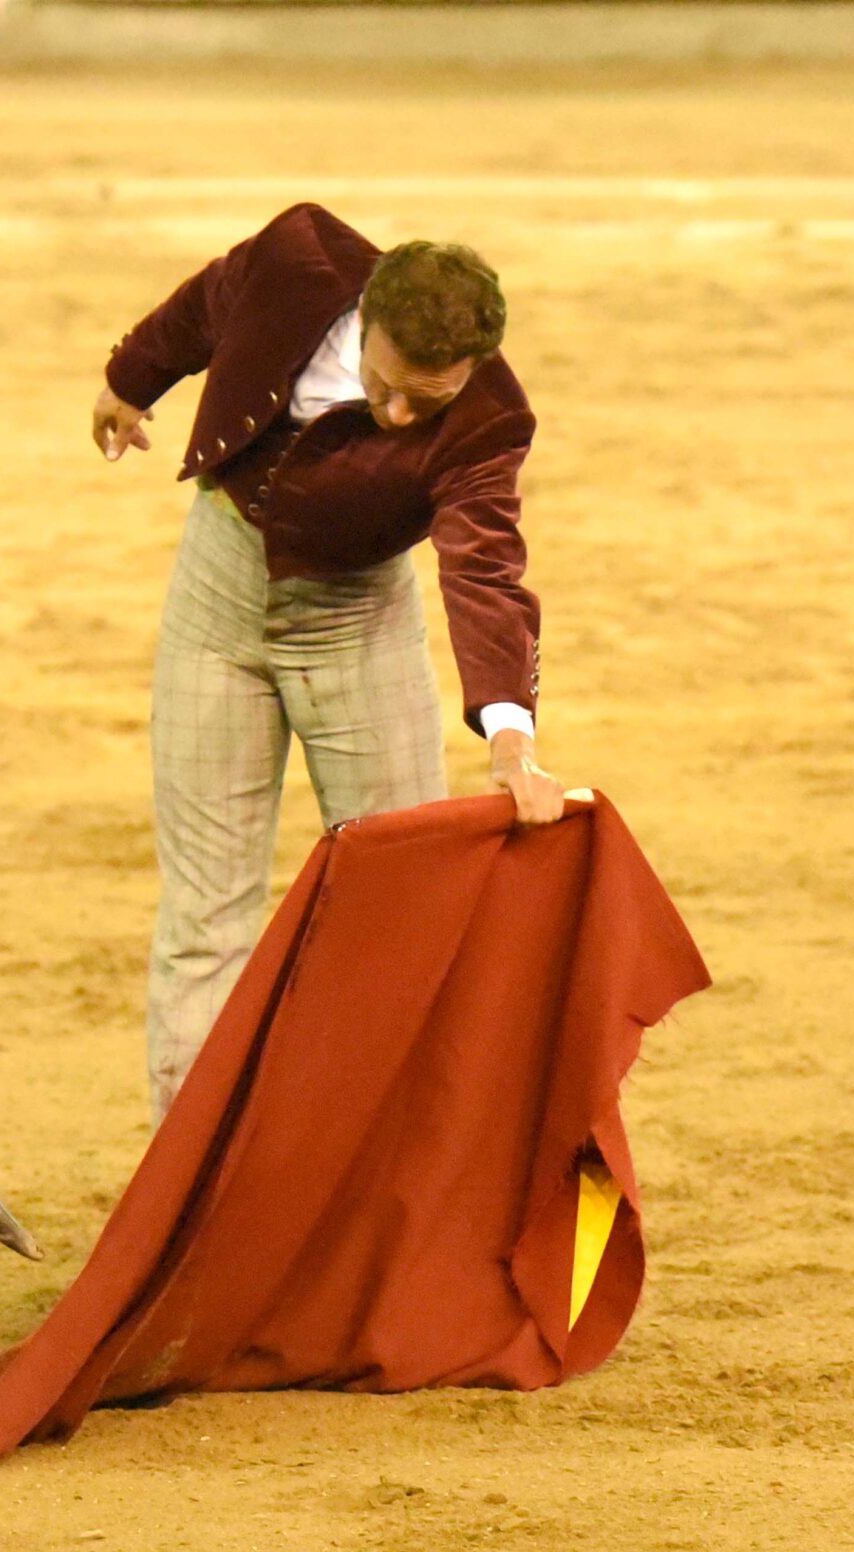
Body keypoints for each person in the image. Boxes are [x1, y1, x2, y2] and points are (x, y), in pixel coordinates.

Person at [91, 202, 566, 1116]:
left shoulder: (490, 420)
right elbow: (209, 302)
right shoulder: (297, 259)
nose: (394, 415)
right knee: (206, 916)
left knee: (401, 912)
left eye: (423, 403)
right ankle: (190, 1196)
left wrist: (511, 740)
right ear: (363, 315)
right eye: (383, 382)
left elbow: (485, 566)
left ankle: (378, 1176)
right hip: (217, 600)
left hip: (358, 624)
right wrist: (132, 377)